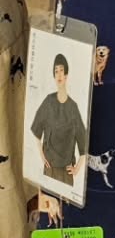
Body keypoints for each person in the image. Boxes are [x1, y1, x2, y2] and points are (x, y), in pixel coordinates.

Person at [30, 51, 87, 184]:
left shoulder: (73, 107)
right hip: (49, 169)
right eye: (56, 71)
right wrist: (42, 156)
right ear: (54, 75)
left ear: (66, 75)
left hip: (66, 173)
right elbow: (36, 129)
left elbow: (83, 141)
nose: (59, 74)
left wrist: (77, 168)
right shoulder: (48, 101)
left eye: (62, 70)